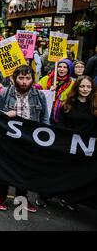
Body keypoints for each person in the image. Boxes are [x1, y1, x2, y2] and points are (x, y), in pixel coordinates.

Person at [0, 65, 50, 213]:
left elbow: (44, 119)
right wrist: (6, 115)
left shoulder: (39, 96)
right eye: (21, 78)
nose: (24, 81)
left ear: (32, 79)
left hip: (29, 141)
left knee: (24, 170)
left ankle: (22, 198)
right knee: (4, 167)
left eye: (28, 78)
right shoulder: (5, 93)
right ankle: (2, 195)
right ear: (14, 78)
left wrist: (44, 139)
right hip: (8, 139)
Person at [50, 76, 97, 211]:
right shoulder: (66, 104)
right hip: (67, 145)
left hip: (85, 149)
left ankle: (71, 199)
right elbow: (60, 124)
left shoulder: (95, 106)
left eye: (88, 87)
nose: (85, 89)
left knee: (76, 175)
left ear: (92, 89)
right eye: (82, 86)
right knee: (58, 172)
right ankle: (46, 196)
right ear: (77, 88)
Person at [35, 59, 74, 123]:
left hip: (61, 115)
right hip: (45, 112)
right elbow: (35, 90)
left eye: (65, 67)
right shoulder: (47, 78)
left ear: (69, 69)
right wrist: (48, 91)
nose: (61, 69)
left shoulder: (72, 84)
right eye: (59, 66)